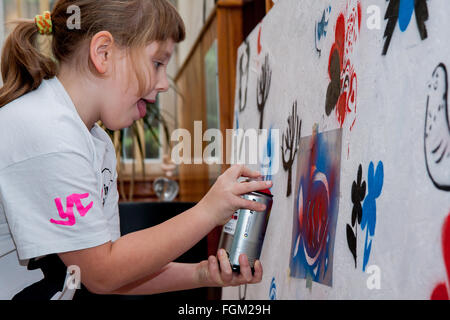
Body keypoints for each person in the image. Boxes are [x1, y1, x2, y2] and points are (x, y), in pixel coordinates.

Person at [0, 0, 271, 300]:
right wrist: (207, 211)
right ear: (103, 53)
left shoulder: (94, 143)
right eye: (157, 63)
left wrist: (202, 274)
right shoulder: (48, 132)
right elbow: (103, 274)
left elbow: (115, 269)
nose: (164, 83)